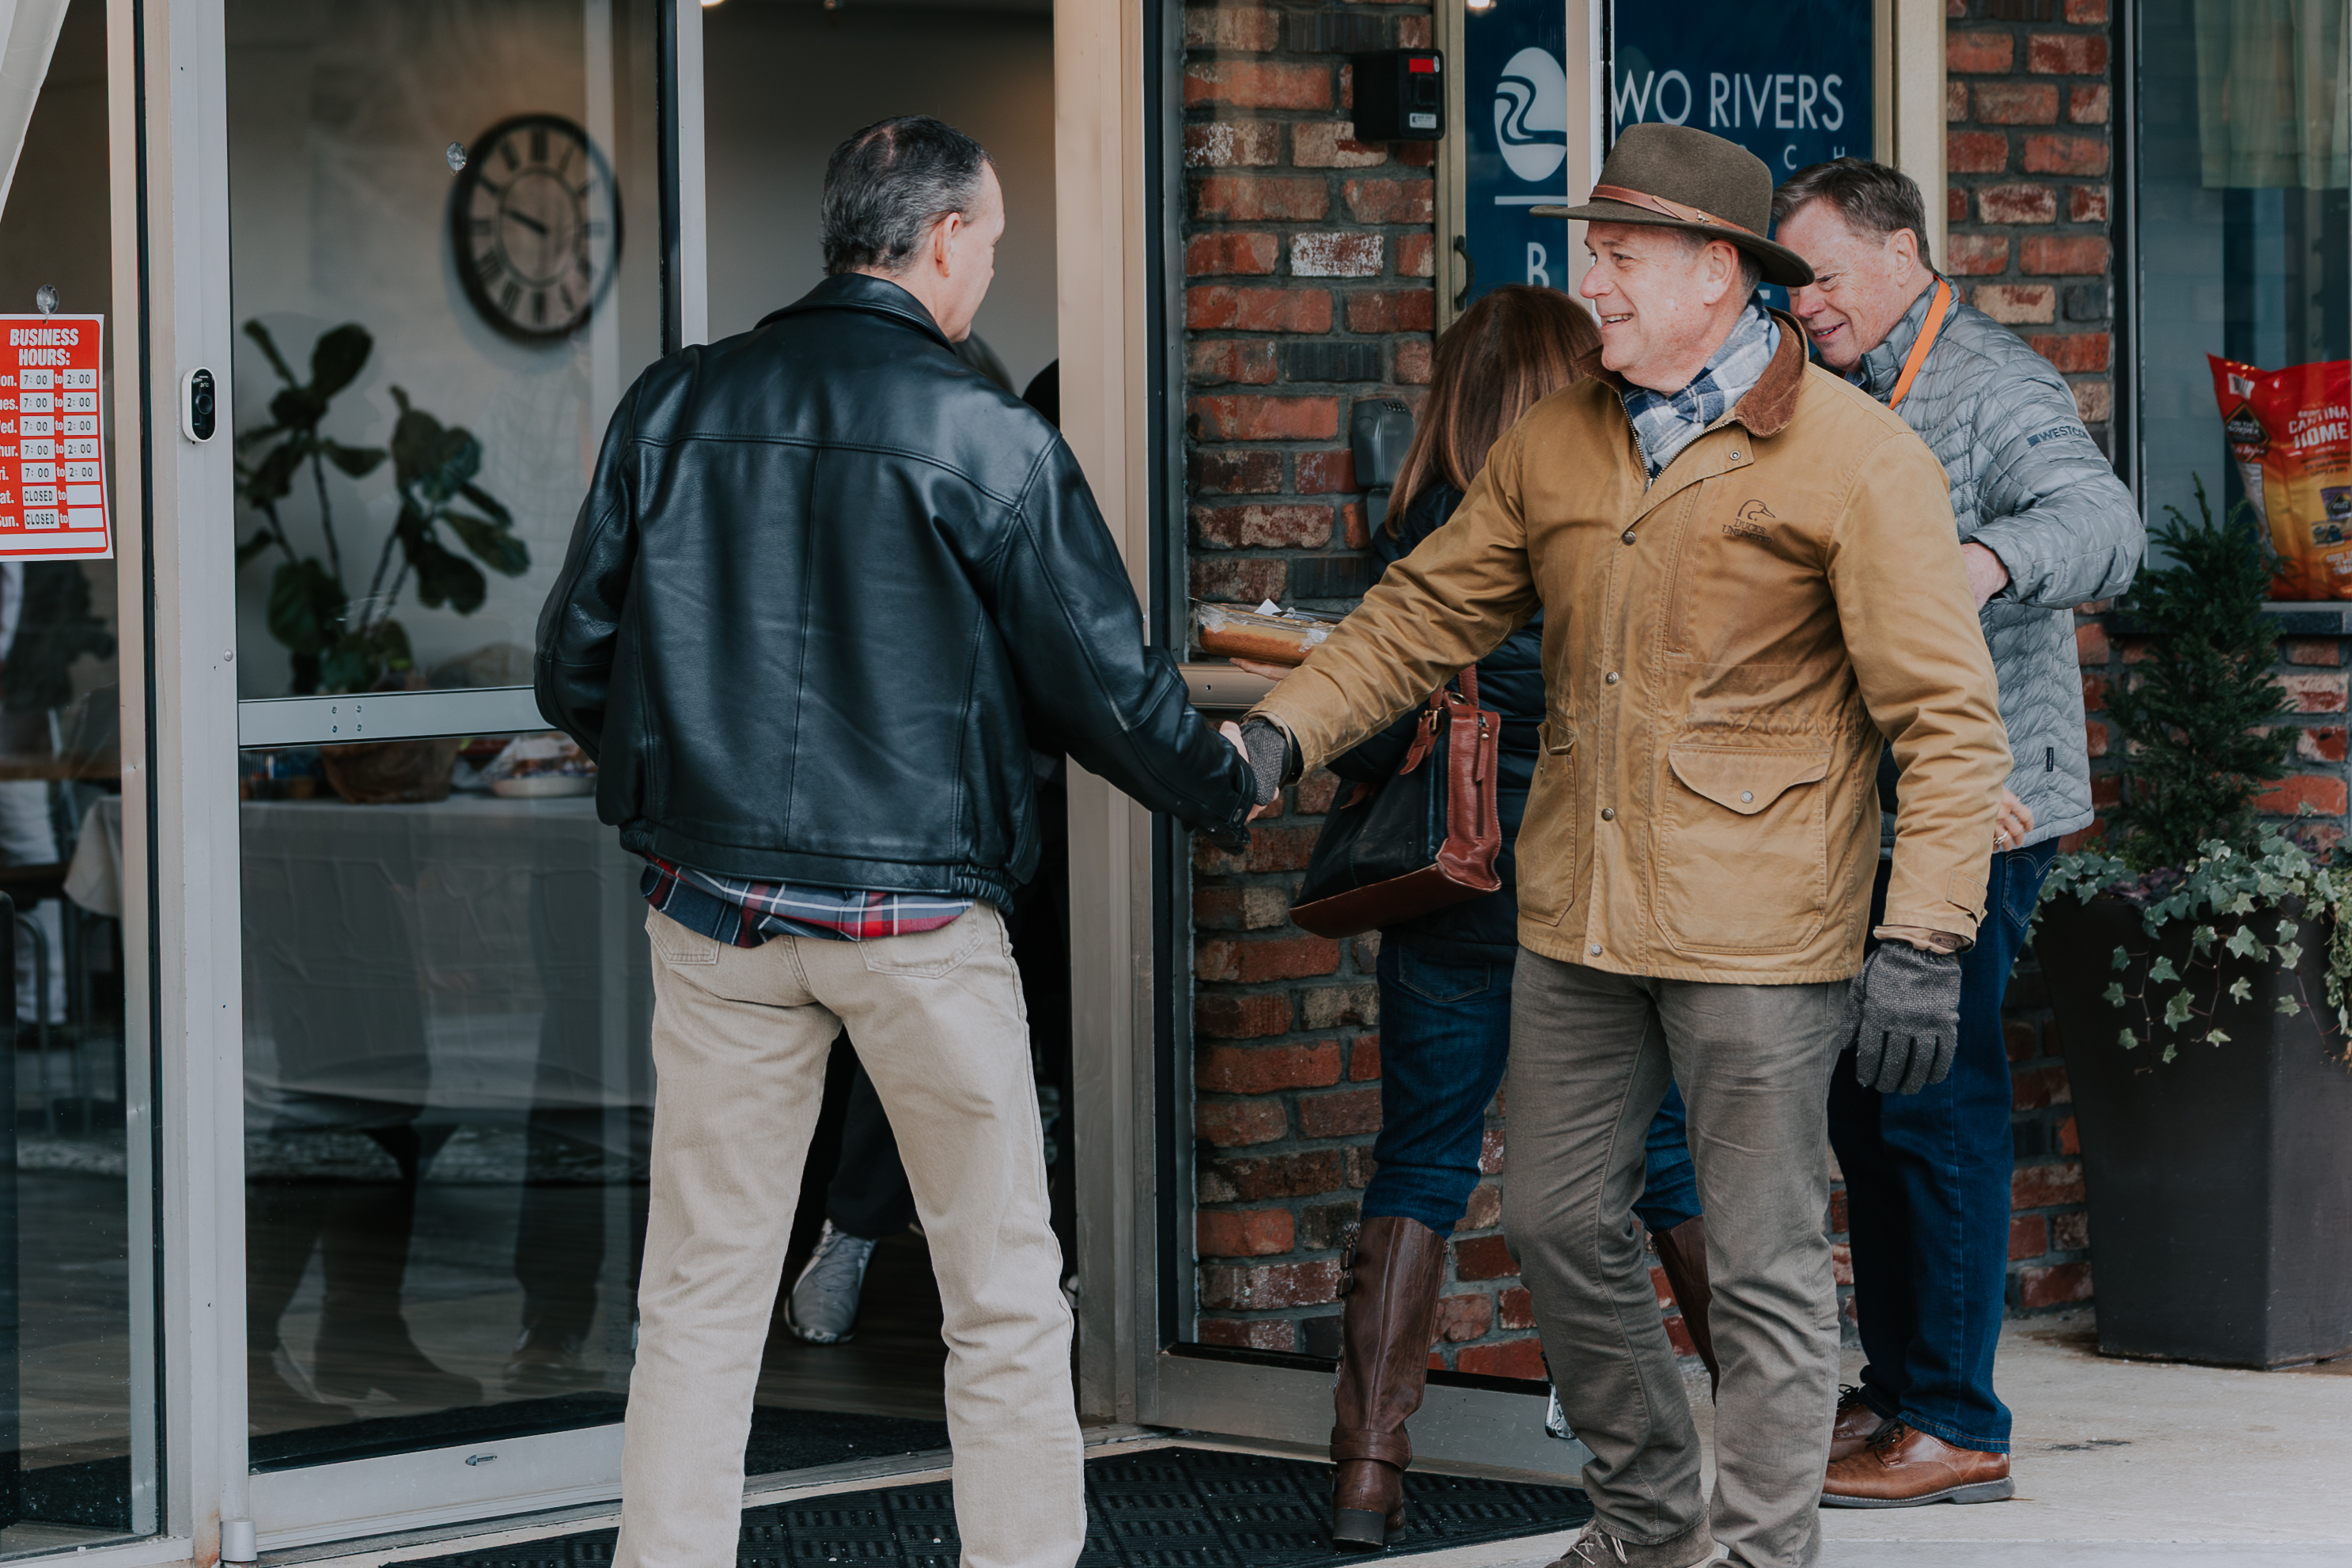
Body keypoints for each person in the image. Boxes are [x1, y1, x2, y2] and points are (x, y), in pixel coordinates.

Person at [1229, 123, 2012, 1568]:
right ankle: (1652, 1516)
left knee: (1765, 1266)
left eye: (1621, 255)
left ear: (1717, 272)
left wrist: (1921, 936)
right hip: (1578, 919)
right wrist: (1281, 736)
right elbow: (1421, 614)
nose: (1591, 280)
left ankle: (1758, 1552)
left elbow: (1947, 723)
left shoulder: (1856, 460)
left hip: (1761, 933)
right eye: (1593, 252)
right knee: (1551, 1222)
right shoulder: (1557, 438)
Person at [536, 116, 1256, 1568]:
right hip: (916, 923)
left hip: (716, 913)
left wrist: (686, 777)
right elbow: (1110, 691)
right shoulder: (989, 434)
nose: (990, 269)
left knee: (700, 1291)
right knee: (1001, 1293)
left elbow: (573, 666)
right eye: (990, 241)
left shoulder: (675, 404)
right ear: (941, 238)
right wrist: (1223, 782)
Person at [1235, 286, 1715, 1548]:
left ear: (1454, 395)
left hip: (1456, 886)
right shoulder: (1615, 520)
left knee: (1420, 1161)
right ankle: (1784, 1428)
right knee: (1662, 1153)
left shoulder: (1426, 534)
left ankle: (1367, 1472)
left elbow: (1373, 730)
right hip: (1596, 887)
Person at [1771, 157, 2142, 1508]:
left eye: (1821, 275)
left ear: (1901, 252)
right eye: (1789, 280)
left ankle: (1955, 1420)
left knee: (1936, 1106)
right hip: (1866, 810)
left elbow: (2104, 527)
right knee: (1870, 1110)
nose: (1802, 303)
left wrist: (1976, 562)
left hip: (1979, 808)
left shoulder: (1991, 381)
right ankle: (1900, 1387)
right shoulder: (1836, 384)